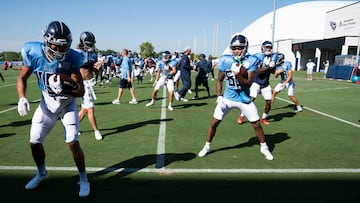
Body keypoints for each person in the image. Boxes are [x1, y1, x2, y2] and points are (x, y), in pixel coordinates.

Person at [16, 21, 90, 197]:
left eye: (64, 46)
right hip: (47, 103)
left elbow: (80, 90)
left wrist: (65, 87)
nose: (59, 50)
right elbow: (22, 77)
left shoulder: (72, 57)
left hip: (67, 103)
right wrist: (22, 97)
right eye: (56, 45)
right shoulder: (33, 52)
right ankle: (42, 173)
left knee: (72, 141)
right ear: (47, 41)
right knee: (34, 142)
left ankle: (84, 178)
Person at [198, 34, 273, 161]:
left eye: (239, 48)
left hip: (244, 99)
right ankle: (207, 146)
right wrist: (219, 95)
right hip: (227, 98)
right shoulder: (226, 60)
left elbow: (249, 83)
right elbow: (219, 80)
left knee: (256, 124)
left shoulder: (251, 60)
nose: (236, 51)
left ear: (245, 48)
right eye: (234, 48)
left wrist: (237, 74)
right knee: (214, 123)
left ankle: (264, 147)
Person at [237, 41, 277, 125]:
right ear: (263, 48)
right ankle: (242, 115)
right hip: (256, 82)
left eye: (270, 47)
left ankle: (264, 118)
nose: (268, 49)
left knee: (269, 102)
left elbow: (273, 72)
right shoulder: (258, 57)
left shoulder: (272, 58)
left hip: (265, 83)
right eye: (267, 47)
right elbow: (258, 72)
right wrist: (268, 67)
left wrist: (273, 66)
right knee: (251, 100)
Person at [76, 31, 103, 140]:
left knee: (85, 109)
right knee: (90, 108)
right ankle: (96, 131)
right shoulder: (76, 53)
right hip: (80, 84)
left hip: (89, 84)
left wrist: (98, 69)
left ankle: (73, 127)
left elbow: (95, 71)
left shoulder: (93, 54)